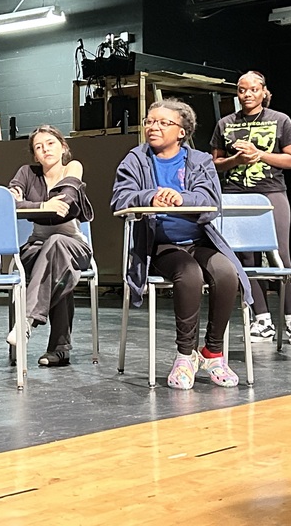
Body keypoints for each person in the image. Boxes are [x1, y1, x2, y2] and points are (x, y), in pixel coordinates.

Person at [111, 98, 251, 390]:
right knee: (189, 273)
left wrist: (180, 198)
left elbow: (210, 200)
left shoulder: (199, 161)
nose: (154, 127)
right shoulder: (135, 159)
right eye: (150, 121)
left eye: (164, 122)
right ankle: (185, 356)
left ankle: (212, 353)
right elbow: (120, 198)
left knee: (226, 272)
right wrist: (149, 197)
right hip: (159, 245)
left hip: (198, 240)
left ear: (182, 131)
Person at [211, 70, 291, 345]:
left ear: (264, 91)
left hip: (271, 193)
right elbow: (214, 163)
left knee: (281, 257)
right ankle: (261, 318)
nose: (248, 94)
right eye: (242, 90)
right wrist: (236, 160)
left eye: (253, 89)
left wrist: (259, 154)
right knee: (244, 261)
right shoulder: (225, 123)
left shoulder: (280, 120)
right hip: (234, 195)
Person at [7, 125, 93, 367]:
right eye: (38, 146)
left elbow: (65, 203)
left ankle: (26, 321)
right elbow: (9, 202)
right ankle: (60, 349)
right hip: (37, 248)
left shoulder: (72, 167)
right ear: (35, 155)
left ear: (63, 146)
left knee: (57, 246)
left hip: (75, 247)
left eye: (51, 143)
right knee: (59, 270)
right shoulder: (26, 173)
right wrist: (42, 207)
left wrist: (31, 206)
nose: (45, 149)